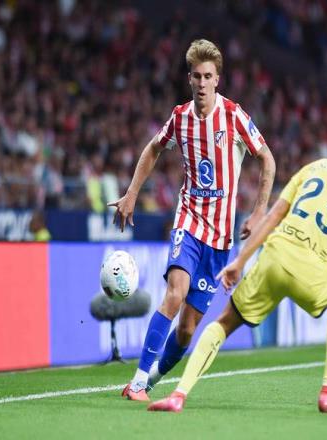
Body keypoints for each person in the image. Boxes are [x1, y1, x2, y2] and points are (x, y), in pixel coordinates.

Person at [148, 122, 327, 414]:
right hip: (312, 271)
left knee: (225, 322)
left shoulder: (314, 168)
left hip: (275, 256)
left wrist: (240, 261)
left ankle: (179, 395)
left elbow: (273, 216)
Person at [108, 39, 276, 401]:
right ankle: (137, 381)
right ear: (189, 79)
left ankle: (150, 380)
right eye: (196, 76)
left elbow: (268, 159)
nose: (201, 83)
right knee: (175, 293)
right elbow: (153, 148)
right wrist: (132, 193)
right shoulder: (180, 117)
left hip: (220, 239)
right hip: (188, 222)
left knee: (186, 330)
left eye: (208, 76)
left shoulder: (233, 116)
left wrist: (260, 209)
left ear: (217, 80)